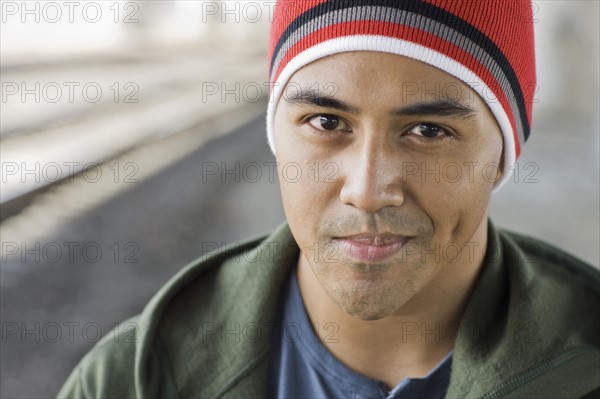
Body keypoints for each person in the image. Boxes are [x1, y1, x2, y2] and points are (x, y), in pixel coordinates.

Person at [58, 1, 600, 398]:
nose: (366, 190)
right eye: (326, 122)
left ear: (502, 155)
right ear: (277, 135)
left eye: (428, 131)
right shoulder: (133, 379)